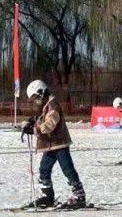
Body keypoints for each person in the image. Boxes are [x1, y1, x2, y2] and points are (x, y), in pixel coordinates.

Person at [20, 80, 86, 209]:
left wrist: (35, 130)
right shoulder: (45, 106)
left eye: (36, 98)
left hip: (59, 143)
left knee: (68, 169)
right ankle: (48, 196)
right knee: (44, 169)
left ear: (42, 92)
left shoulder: (53, 105)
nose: (35, 101)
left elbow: (50, 124)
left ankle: (80, 196)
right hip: (50, 145)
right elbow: (41, 119)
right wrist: (32, 122)